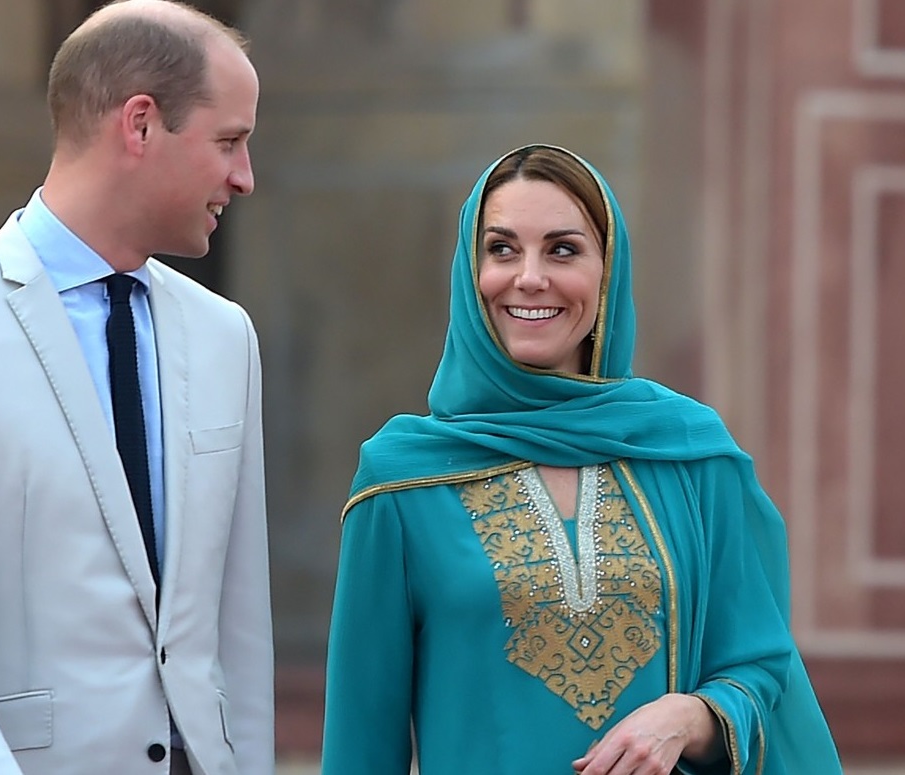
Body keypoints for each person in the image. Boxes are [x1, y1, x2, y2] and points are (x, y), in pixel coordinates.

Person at [0, 2, 272, 773]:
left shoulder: (224, 334)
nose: (243, 176)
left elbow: (236, 623)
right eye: (229, 142)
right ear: (139, 125)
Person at [321, 144, 841, 775]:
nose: (529, 277)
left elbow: (758, 666)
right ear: (470, 269)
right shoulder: (401, 478)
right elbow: (360, 741)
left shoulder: (688, 452)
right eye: (502, 249)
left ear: (608, 272)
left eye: (562, 250)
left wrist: (691, 716)